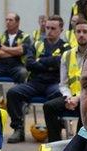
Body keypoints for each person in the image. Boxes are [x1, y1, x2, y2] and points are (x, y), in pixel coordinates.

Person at [6, 15, 67, 143]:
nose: (49, 31)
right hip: (35, 83)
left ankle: (55, 131)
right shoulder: (37, 44)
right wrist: (50, 65)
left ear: (61, 29)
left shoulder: (65, 47)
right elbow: (28, 64)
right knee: (13, 93)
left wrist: (40, 62)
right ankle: (18, 129)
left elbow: (60, 63)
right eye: (47, 27)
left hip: (54, 83)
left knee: (58, 94)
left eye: (53, 28)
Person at [42, 19, 87, 142]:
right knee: (48, 107)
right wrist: (69, 97)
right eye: (78, 31)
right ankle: (55, 144)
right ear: (74, 34)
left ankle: (80, 146)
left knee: (85, 108)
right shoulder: (67, 55)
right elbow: (63, 84)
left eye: (85, 31)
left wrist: (78, 98)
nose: (81, 34)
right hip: (70, 97)